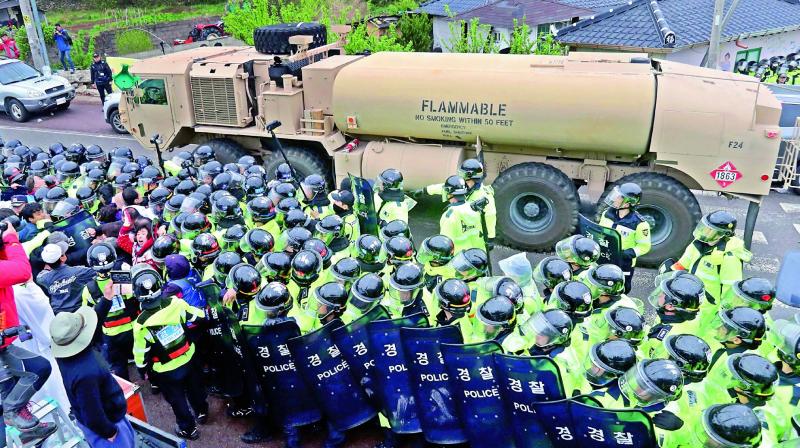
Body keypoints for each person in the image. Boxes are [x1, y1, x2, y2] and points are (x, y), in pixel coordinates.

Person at [131, 264, 208, 440]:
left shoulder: (141, 323)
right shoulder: (176, 303)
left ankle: (188, 429)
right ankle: (202, 412)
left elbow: (141, 352)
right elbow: (199, 316)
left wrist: (142, 369)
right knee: (195, 388)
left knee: (177, 400)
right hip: (188, 357)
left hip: (165, 370)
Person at [0, 221, 57, 444]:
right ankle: (12, 413)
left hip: (4, 343)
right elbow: (22, 271)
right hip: (3, 346)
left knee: (23, 379)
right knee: (35, 370)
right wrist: (11, 240)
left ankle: (25, 428)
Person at [50, 306, 136, 448]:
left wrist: (106, 302)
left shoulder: (65, 357)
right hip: (107, 426)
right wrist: (110, 432)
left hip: (100, 420)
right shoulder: (87, 374)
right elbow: (92, 413)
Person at [673, 210, 750, 306]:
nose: (704, 233)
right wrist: (671, 276)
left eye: (711, 232)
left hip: (709, 307)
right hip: (690, 296)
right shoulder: (697, 244)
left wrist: (725, 310)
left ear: (724, 235)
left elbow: (730, 290)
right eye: (705, 229)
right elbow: (683, 263)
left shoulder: (729, 258)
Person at [599, 182, 651, 293]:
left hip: (624, 263)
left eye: (619, 197)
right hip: (605, 257)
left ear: (628, 202)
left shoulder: (640, 224)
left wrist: (628, 253)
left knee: (621, 290)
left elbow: (644, 246)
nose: (615, 198)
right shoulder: (606, 214)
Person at [36, 240, 103, 314]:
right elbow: (99, 271)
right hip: (79, 312)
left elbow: (39, 277)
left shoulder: (44, 278)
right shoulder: (79, 271)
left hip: (58, 315)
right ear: (62, 258)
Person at [439, 175, 485, 254]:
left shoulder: (450, 216)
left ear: (450, 194)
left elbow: (445, 244)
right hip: (476, 256)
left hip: (458, 260)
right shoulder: (474, 209)